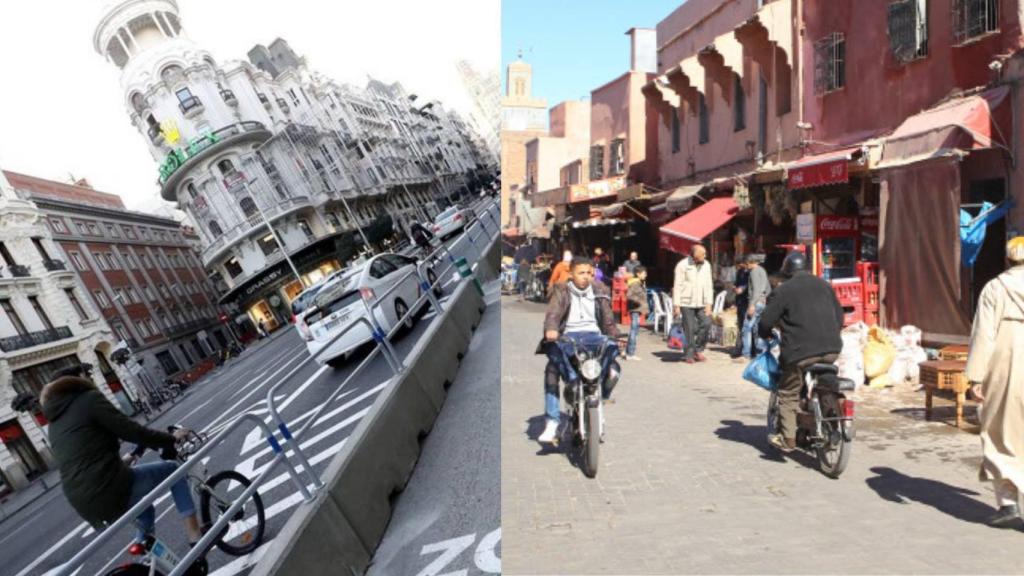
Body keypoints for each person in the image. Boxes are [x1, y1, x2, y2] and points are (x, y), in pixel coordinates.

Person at [40, 375, 205, 551]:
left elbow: (84, 456)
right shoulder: (89, 400)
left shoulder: (54, 423)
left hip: (80, 499)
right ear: (79, 384)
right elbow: (132, 431)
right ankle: (195, 535)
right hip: (107, 485)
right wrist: (171, 439)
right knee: (173, 470)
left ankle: (147, 562)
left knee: (144, 510)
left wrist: (126, 460)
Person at [757, 251, 844, 452]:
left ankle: (787, 439)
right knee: (823, 382)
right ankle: (824, 416)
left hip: (799, 352)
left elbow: (766, 322)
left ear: (787, 271)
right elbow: (840, 319)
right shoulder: (825, 286)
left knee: (788, 391)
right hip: (832, 348)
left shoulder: (783, 290)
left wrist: (765, 333)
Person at [966, 236, 1024, 528]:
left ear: (1008, 260)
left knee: (1001, 432)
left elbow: (984, 334)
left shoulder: (995, 288)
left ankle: (1009, 503)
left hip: (1007, 363)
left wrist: (975, 377)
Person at [536, 257, 619, 444]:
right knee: (551, 369)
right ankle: (552, 421)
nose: (586, 277)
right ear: (571, 274)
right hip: (569, 337)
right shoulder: (561, 290)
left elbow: (607, 320)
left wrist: (615, 335)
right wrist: (551, 328)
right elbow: (553, 314)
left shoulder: (601, 291)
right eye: (581, 273)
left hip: (594, 336)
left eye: (589, 273)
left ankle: (600, 402)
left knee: (614, 369)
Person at [672, 245, 714, 364]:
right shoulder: (682, 265)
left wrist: (709, 304)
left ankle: (698, 349)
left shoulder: (706, 265)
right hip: (686, 301)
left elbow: (709, 285)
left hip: (701, 301)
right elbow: (678, 285)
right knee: (689, 328)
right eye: (703, 254)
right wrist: (676, 305)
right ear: (696, 255)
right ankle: (689, 354)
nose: (705, 256)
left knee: (707, 323)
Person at [736, 254, 771, 362]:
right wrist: (764, 298)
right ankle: (759, 353)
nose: (746, 267)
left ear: (751, 263)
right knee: (756, 329)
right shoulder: (762, 270)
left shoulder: (754, 272)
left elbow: (756, 290)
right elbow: (768, 288)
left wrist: (752, 304)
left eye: (746, 264)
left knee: (746, 328)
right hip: (761, 303)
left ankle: (746, 354)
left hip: (755, 303)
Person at [625, 266, 649, 361]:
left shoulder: (640, 283)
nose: (645, 275)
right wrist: (639, 302)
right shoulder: (635, 283)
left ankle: (628, 352)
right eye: (644, 273)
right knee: (634, 331)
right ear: (638, 274)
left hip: (636, 310)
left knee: (634, 331)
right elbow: (629, 295)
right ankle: (631, 353)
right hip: (635, 309)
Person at [731, 258, 751, 357]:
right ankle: (740, 347)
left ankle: (745, 349)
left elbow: (749, 285)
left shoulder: (750, 272)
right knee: (740, 325)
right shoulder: (739, 272)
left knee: (745, 326)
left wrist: (742, 289)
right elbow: (736, 282)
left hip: (747, 301)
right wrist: (734, 287)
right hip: (739, 301)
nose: (737, 267)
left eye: (738, 265)